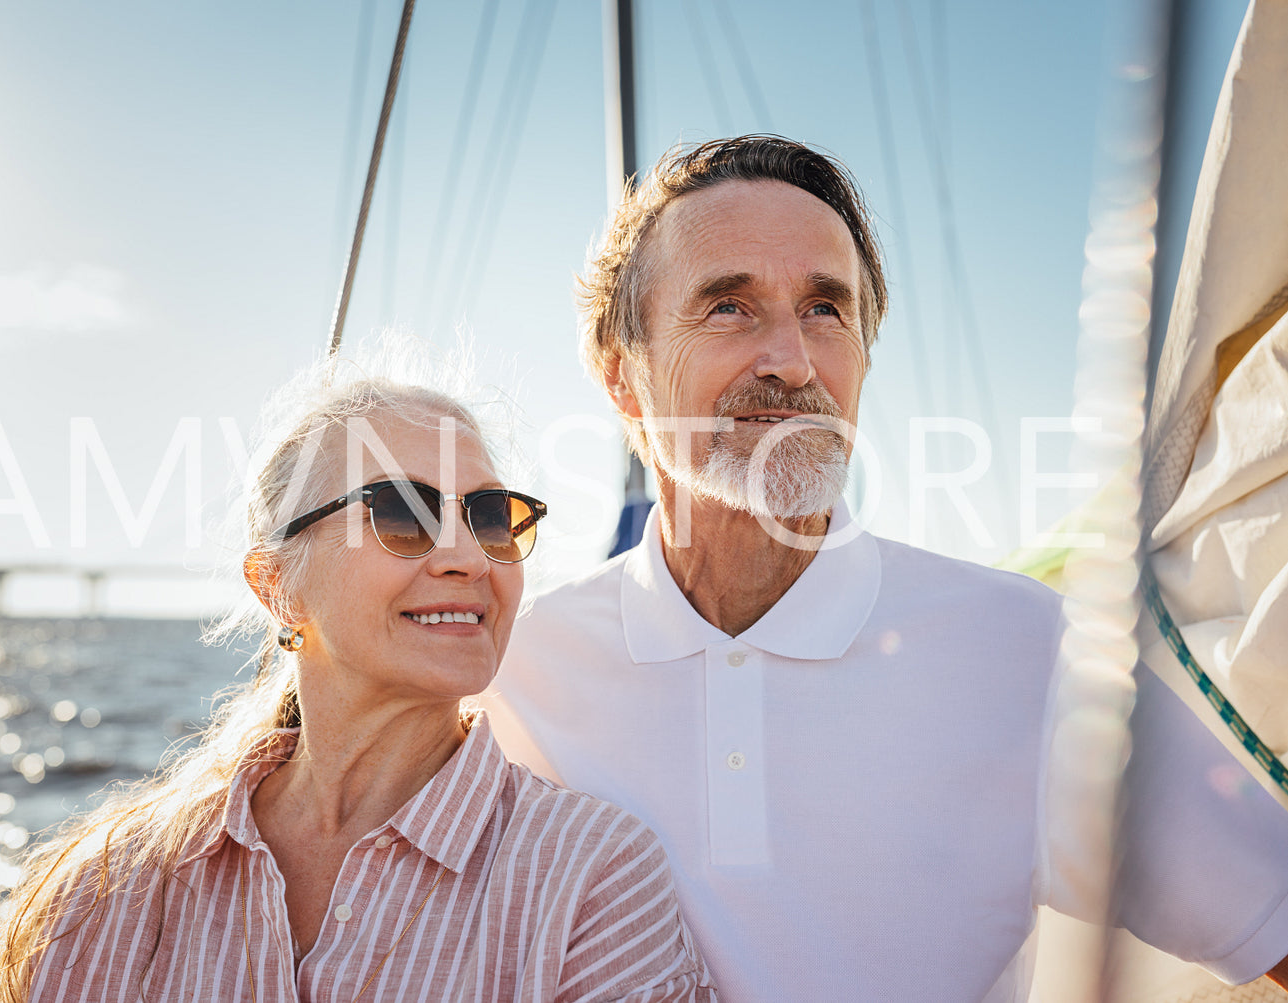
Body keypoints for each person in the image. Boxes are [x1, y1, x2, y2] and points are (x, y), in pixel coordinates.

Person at [482, 135, 1288, 1001]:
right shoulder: (513, 678)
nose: (791, 362)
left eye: (826, 309)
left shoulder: (1024, 651)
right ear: (622, 380)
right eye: (727, 307)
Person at [0, 370, 715, 1001]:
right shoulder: (110, 890)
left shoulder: (593, 879)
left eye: (491, 516)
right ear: (278, 587)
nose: (466, 554)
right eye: (400, 510)